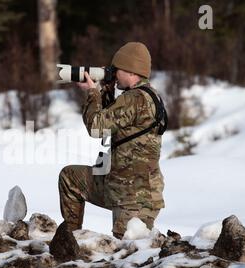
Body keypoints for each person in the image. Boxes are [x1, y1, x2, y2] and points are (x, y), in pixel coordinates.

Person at [58, 42, 166, 239]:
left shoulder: (135, 98)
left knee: (126, 256)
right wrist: (105, 91)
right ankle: (70, 240)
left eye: (117, 69)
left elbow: (97, 127)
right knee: (71, 177)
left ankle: (72, 240)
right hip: (119, 185)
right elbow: (113, 122)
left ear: (131, 71)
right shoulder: (147, 96)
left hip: (134, 198)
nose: (113, 73)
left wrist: (92, 93)